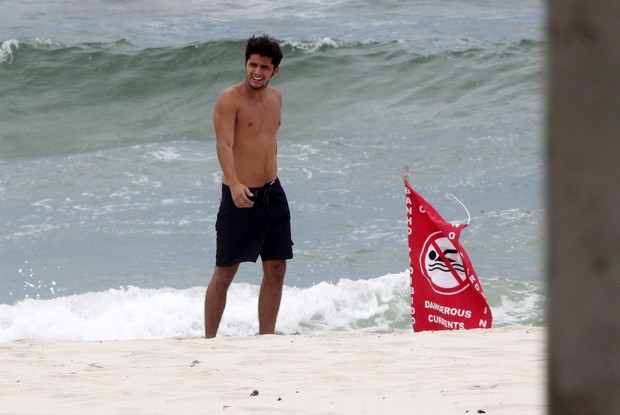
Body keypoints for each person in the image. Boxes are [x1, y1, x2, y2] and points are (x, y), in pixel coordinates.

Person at [204, 35, 293, 338]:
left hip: (272, 192)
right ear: (245, 64)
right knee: (225, 271)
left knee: (277, 267)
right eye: (252, 65)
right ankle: (209, 340)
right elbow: (224, 145)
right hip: (239, 194)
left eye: (264, 67)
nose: (257, 72)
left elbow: (270, 143)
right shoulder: (229, 99)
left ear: (274, 71)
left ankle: (266, 338)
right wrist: (233, 183)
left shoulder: (277, 98)